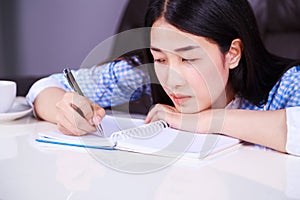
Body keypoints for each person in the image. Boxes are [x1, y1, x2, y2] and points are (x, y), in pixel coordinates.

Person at [27, 0, 300, 156]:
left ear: (232, 53)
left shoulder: (286, 84)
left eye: (189, 59)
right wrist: (66, 108)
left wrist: (199, 121)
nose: (171, 79)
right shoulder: (143, 74)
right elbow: (47, 87)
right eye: (160, 59)